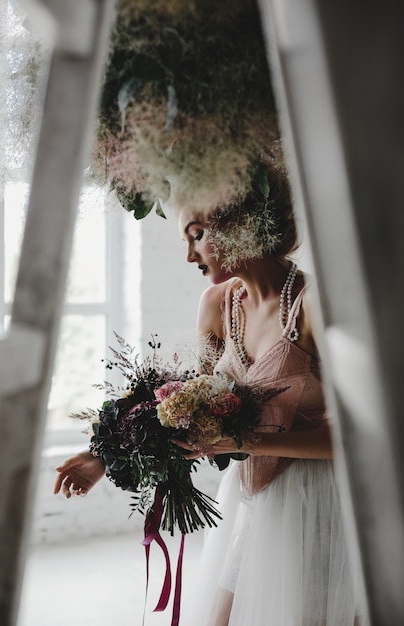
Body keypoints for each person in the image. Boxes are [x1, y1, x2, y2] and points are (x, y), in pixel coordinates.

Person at [54, 158, 366, 625]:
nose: (189, 255)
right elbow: (183, 410)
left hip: (315, 503)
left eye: (196, 234)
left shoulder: (313, 305)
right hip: (248, 499)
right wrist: (102, 454)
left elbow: (357, 440)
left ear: (242, 223)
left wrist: (245, 441)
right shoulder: (217, 305)